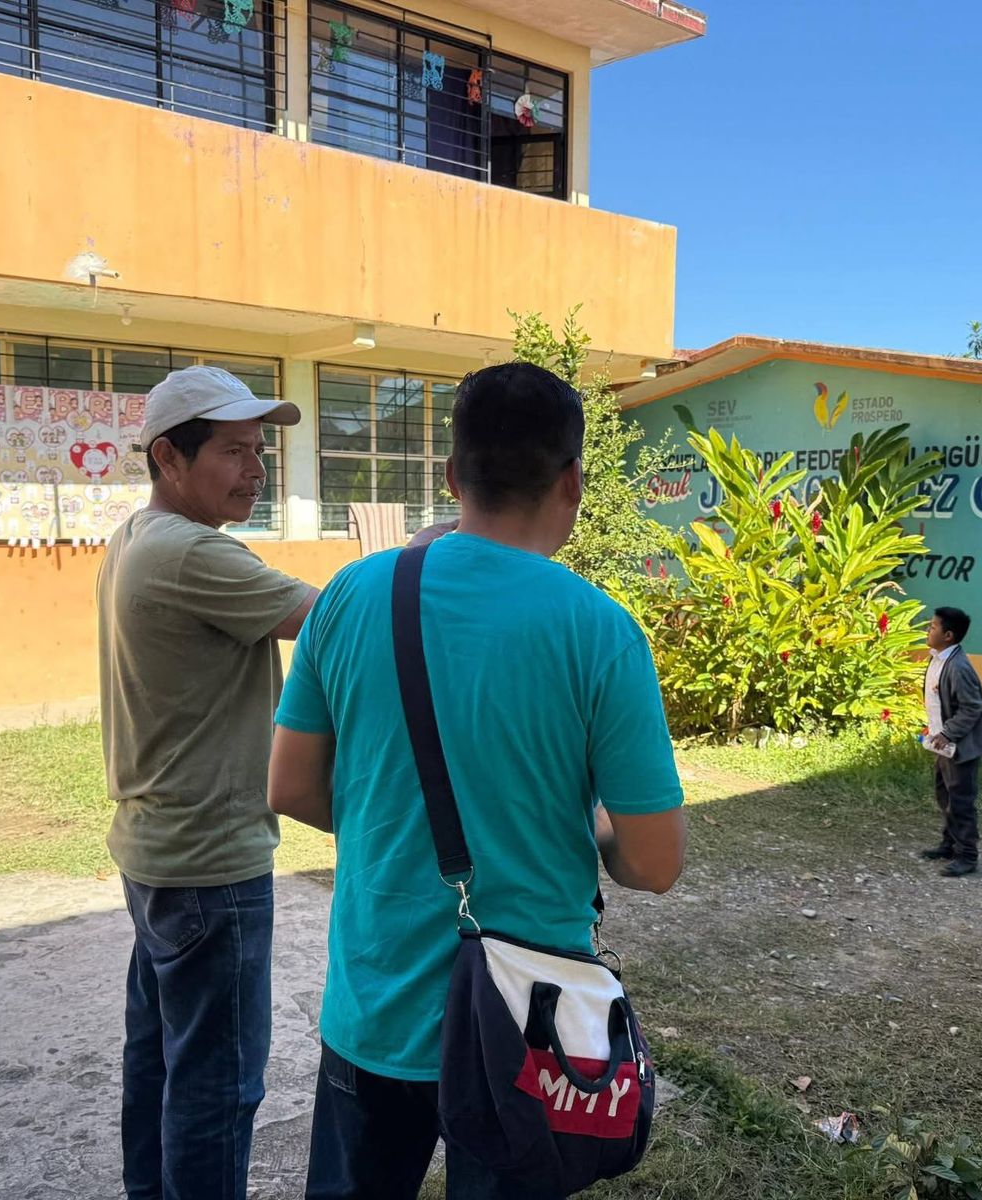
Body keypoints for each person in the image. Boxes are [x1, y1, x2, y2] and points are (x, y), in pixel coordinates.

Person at [267, 361, 687, 1199]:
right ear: (572, 481)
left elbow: (291, 787)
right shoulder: (600, 630)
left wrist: (398, 823)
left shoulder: (350, 595)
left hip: (374, 1002)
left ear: (454, 475)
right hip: (527, 1021)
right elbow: (654, 862)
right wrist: (577, 826)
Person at [98, 365, 318, 1200]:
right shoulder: (190, 551)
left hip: (159, 848)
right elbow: (334, 619)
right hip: (210, 863)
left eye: (259, 451)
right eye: (233, 451)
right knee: (219, 1085)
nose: (255, 471)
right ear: (168, 457)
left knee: (161, 1059)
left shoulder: (135, 536)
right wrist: (421, 565)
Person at [918, 606, 982, 878]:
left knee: (960, 802)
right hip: (943, 746)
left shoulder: (958, 667)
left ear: (948, 635)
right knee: (944, 795)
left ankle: (967, 855)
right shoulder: (938, 660)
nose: (928, 629)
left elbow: (971, 708)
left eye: (933, 626)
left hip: (960, 748)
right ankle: (949, 844)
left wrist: (947, 733)